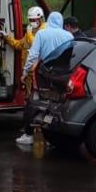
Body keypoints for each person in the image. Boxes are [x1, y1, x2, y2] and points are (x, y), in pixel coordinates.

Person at [17, 12, 75, 145]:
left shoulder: (41, 34)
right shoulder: (69, 35)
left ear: (48, 20)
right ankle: (52, 136)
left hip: (44, 74)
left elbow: (33, 56)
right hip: (62, 76)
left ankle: (29, 134)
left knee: (35, 102)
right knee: (58, 103)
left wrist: (25, 73)